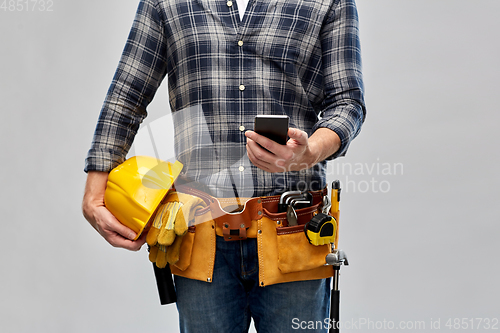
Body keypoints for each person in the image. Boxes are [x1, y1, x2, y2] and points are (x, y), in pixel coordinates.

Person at [82, 0, 365, 331]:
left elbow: (347, 102)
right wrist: (94, 191)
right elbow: (127, 96)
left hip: (293, 230)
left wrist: (309, 152)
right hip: (199, 231)